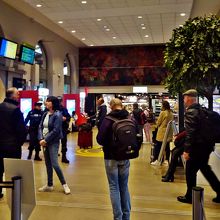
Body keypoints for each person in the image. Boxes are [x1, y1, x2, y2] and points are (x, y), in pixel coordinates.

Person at [177, 89, 220, 204]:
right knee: (205, 169)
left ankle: (190, 196)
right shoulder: (203, 110)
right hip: (207, 146)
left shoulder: (191, 112)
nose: (184, 100)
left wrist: (187, 150)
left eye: (185, 98)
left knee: (190, 171)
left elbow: (191, 133)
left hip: (197, 148)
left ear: (190, 98)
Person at [96, 98, 132, 220]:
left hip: (111, 157)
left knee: (114, 187)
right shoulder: (129, 118)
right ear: (121, 105)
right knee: (124, 186)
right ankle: (127, 216)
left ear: (111, 107)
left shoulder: (108, 120)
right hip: (125, 156)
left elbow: (100, 139)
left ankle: (118, 217)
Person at [38, 96, 70, 195]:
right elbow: (40, 126)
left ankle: (64, 184)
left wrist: (46, 140)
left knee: (55, 164)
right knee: (47, 164)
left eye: (48, 101)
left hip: (53, 142)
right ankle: (49, 184)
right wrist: (41, 139)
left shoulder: (58, 115)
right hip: (44, 142)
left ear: (53, 103)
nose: (46, 102)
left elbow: (56, 130)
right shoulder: (45, 114)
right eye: (46, 101)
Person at [0, 87, 27, 199]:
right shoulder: (16, 110)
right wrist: (19, 143)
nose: (19, 95)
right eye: (17, 93)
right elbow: (21, 130)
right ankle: (14, 194)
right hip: (12, 147)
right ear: (12, 96)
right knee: (14, 171)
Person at [151, 101, 173, 165]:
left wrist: (154, 125)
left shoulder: (163, 113)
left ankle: (158, 160)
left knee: (158, 146)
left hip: (162, 132)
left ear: (163, 105)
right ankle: (166, 160)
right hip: (168, 132)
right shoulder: (170, 112)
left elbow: (158, 123)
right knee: (167, 147)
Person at [58, 97, 71, 163]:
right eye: (58, 101)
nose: (59, 103)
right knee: (54, 143)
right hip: (55, 129)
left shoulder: (64, 109)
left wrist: (65, 118)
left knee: (64, 143)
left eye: (60, 101)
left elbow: (68, 116)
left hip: (63, 128)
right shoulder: (52, 109)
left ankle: (64, 156)